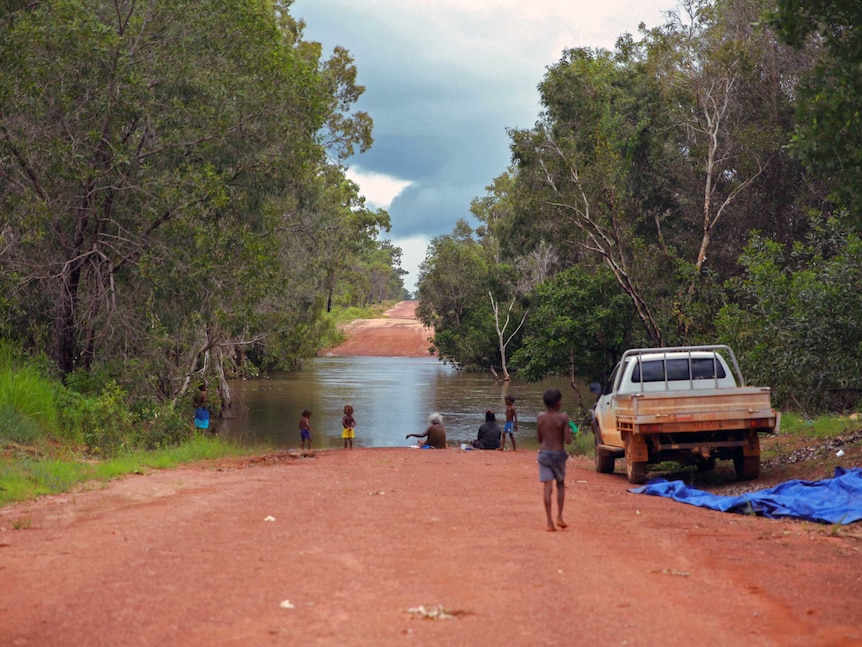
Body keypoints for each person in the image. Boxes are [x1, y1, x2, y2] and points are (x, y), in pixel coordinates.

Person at [536, 388, 572, 531]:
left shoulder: (540, 417)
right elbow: (567, 441)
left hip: (544, 454)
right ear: (558, 403)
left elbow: (539, 439)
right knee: (560, 484)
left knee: (547, 487)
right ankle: (560, 517)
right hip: (558, 455)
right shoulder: (563, 418)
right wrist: (567, 430)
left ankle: (549, 522)